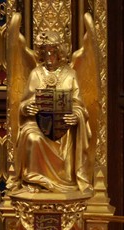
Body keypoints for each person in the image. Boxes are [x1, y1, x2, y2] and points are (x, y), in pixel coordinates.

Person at [8, 29, 93, 193]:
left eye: (53, 52)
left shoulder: (70, 74)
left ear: (60, 53)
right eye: (46, 52)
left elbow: (78, 104)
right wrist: (27, 108)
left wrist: (76, 115)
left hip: (63, 129)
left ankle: (66, 179)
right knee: (32, 137)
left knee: (65, 135)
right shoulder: (36, 74)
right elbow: (24, 102)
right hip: (37, 124)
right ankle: (34, 180)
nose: (50, 57)